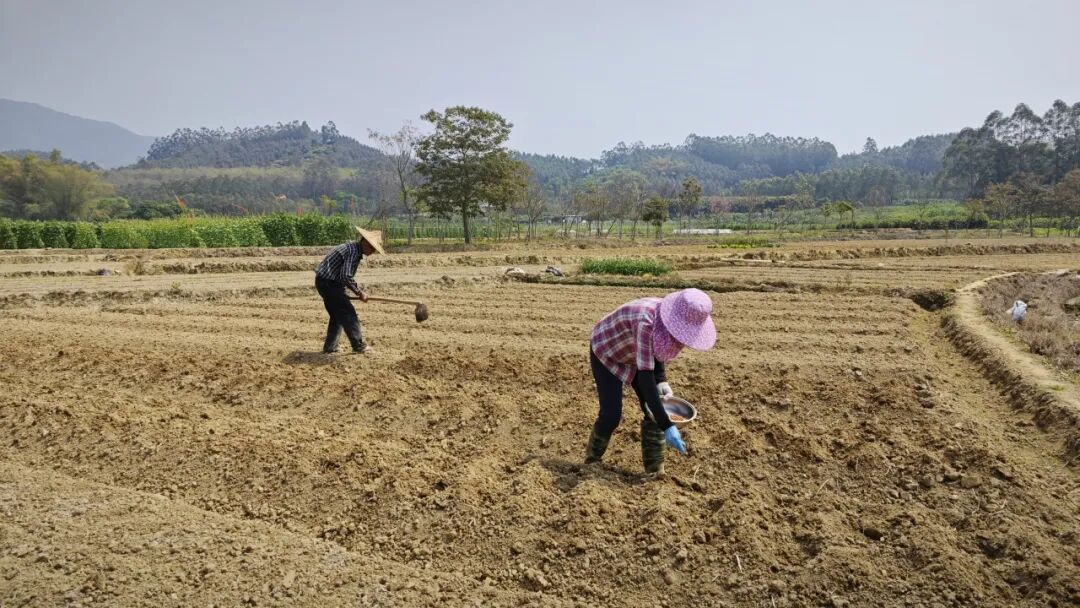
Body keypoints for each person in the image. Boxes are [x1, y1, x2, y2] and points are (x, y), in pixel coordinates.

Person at [586, 288, 717, 474]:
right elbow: (647, 381)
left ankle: (655, 472)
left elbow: (657, 350)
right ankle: (591, 463)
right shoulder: (646, 322)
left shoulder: (668, 319)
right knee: (611, 415)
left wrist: (662, 381)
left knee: (654, 411)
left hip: (636, 352)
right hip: (609, 349)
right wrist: (668, 425)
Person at [314, 226, 384, 354]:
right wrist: (359, 292)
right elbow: (345, 275)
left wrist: (343, 291)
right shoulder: (354, 252)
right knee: (348, 313)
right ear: (365, 243)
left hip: (325, 282)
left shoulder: (352, 248)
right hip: (329, 283)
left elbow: (342, 275)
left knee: (337, 315)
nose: (373, 252)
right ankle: (358, 345)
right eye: (372, 248)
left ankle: (330, 347)